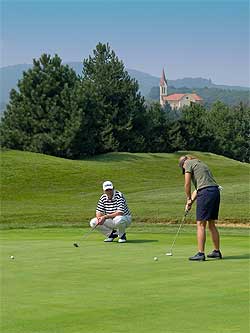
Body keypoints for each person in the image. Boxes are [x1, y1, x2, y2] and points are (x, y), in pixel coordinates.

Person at [178, 155, 222, 261]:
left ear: (183, 164)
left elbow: (187, 184)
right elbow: (199, 188)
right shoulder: (200, 163)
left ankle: (200, 253)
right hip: (215, 191)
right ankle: (217, 251)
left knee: (201, 224)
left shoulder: (187, 163)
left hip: (206, 193)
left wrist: (188, 198)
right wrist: (190, 202)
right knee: (211, 223)